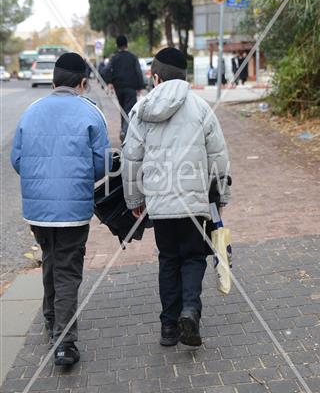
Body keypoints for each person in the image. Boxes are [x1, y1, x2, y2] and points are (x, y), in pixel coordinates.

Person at [122, 48, 230, 348]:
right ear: (184, 76)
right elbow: (218, 156)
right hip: (194, 202)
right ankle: (191, 311)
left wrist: (134, 200)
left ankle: (169, 328)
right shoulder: (200, 108)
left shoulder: (141, 111)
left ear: (155, 76)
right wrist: (221, 194)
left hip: (159, 204)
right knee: (194, 257)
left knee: (168, 260)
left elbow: (131, 160)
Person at [11, 53, 111, 366]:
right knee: (68, 269)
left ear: (53, 81)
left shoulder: (30, 112)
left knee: (51, 259)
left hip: (37, 209)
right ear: (83, 82)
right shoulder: (91, 112)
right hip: (74, 206)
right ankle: (65, 342)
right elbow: (103, 163)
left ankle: (51, 316)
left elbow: (17, 159)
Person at [103, 35, 145, 142]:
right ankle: (126, 132)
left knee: (122, 110)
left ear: (117, 45)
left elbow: (106, 70)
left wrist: (109, 82)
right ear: (127, 44)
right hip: (131, 88)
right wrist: (140, 86)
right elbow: (138, 72)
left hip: (118, 88)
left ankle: (123, 130)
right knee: (129, 110)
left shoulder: (114, 58)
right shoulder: (132, 57)